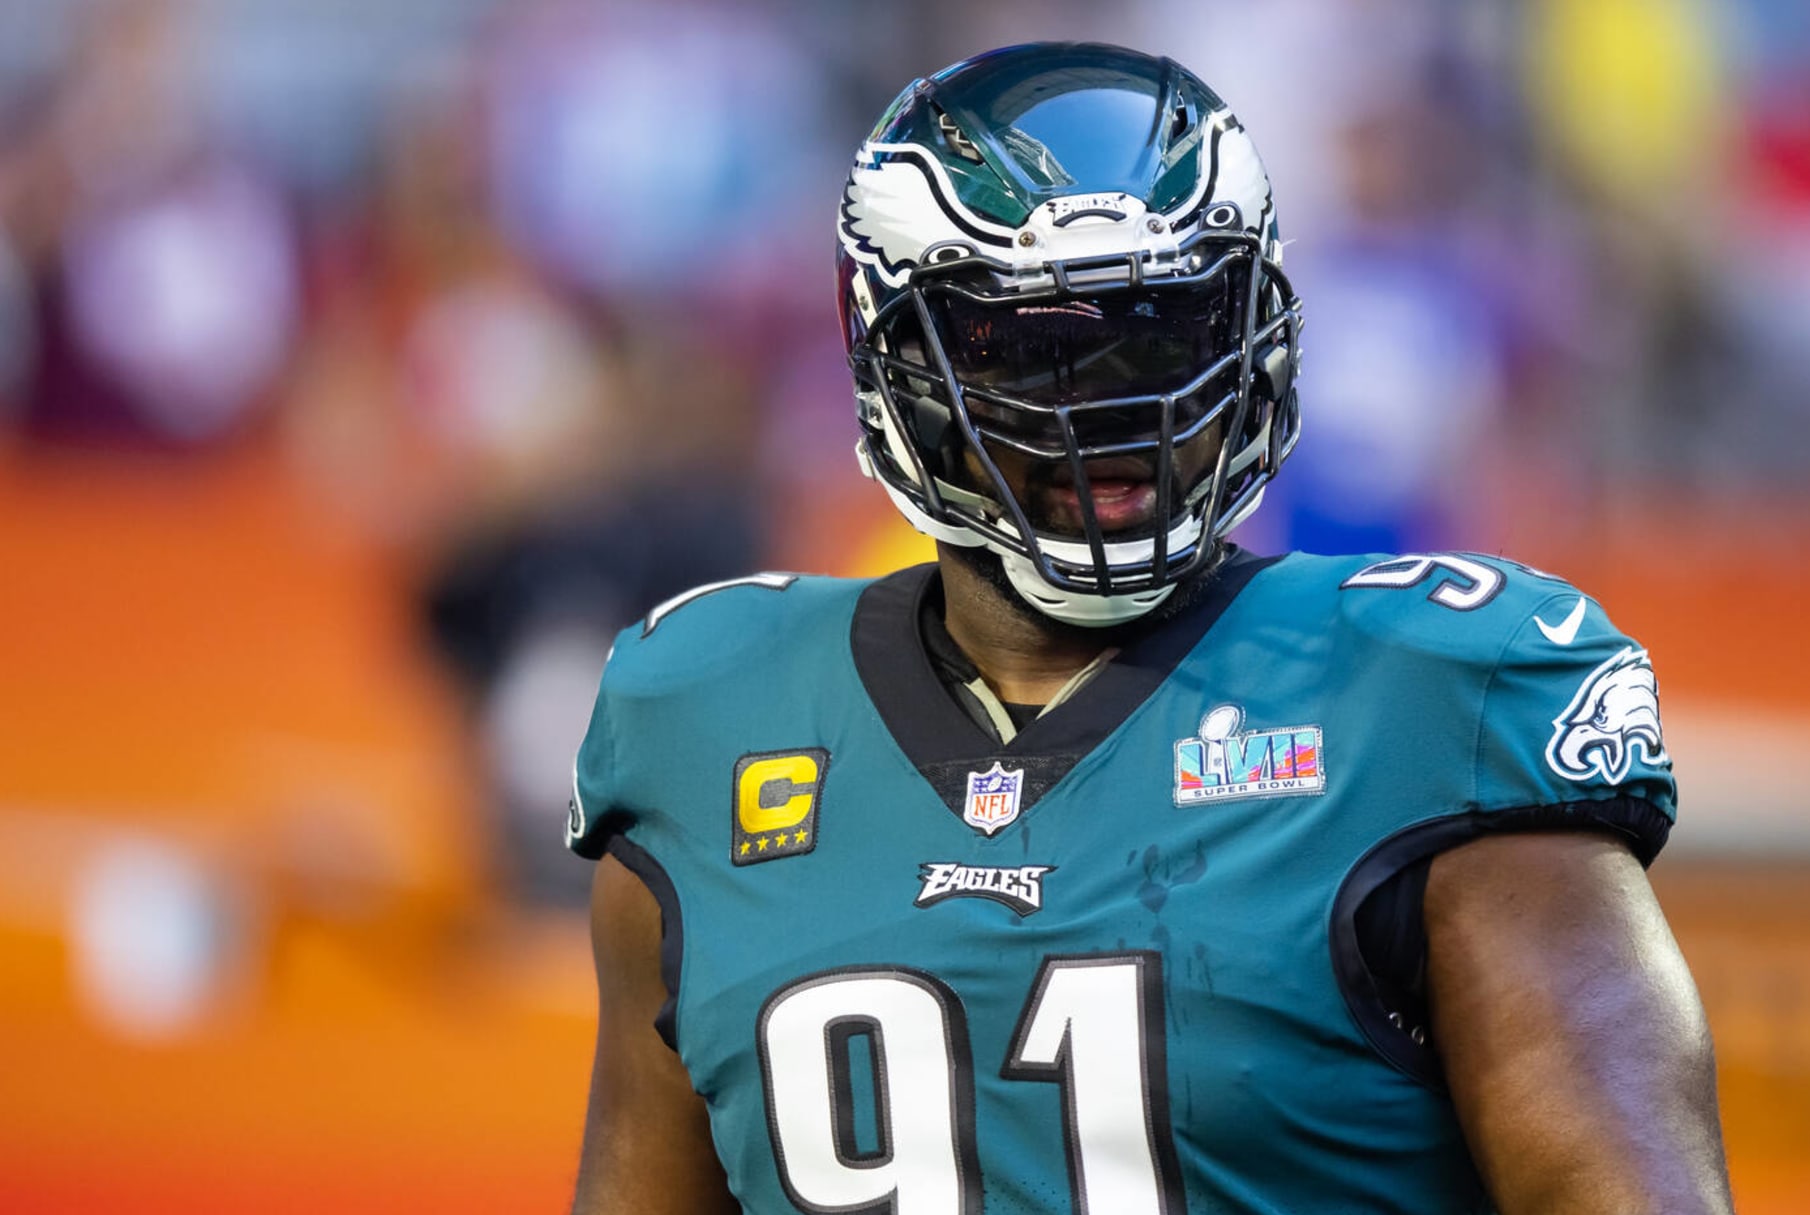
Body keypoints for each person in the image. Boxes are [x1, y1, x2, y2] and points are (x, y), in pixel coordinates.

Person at [567, 42, 1733, 1215]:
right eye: (1033, 347)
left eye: (1164, 333)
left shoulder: (1434, 701)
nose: (1113, 405)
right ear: (895, 359)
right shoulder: (702, 718)